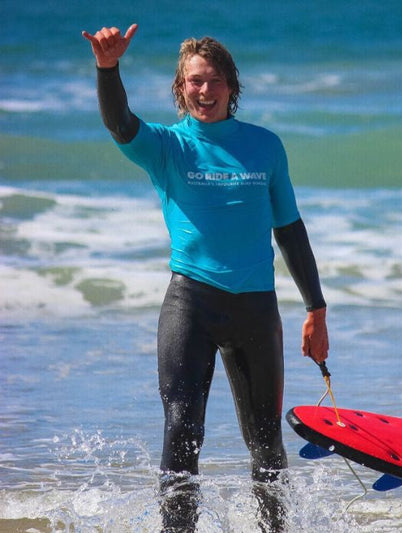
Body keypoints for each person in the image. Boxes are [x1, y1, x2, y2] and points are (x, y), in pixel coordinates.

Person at [82, 23, 329, 532]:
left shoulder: (265, 147)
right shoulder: (167, 147)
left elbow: (290, 229)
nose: (204, 90)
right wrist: (108, 69)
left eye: (214, 80)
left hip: (256, 308)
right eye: (194, 81)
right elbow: (119, 123)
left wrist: (316, 309)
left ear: (231, 87)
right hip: (190, 305)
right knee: (181, 431)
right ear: (180, 89)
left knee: (266, 443)